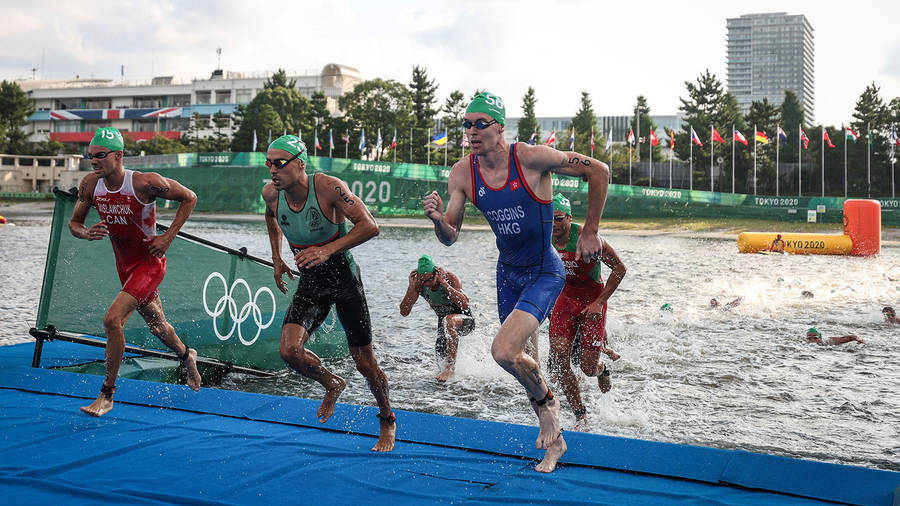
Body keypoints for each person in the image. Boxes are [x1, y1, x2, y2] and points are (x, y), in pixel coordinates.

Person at [423, 92, 610, 473]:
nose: (471, 131)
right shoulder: (463, 172)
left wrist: (590, 230)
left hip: (543, 271)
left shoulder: (530, 158)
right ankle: (555, 442)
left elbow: (600, 170)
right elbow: (451, 235)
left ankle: (550, 410)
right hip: (507, 275)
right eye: (466, 124)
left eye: (480, 124)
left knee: (503, 351)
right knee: (526, 365)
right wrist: (438, 220)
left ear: (499, 127)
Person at [262, 135, 395, 452]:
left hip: (344, 278)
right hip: (311, 282)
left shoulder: (328, 187)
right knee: (289, 352)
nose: (272, 170)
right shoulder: (271, 194)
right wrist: (277, 258)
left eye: (279, 163)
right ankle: (332, 383)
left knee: (364, 362)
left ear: (300, 164)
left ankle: (387, 419)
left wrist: (326, 250)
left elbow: (369, 225)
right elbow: (271, 217)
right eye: (268, 163)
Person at [69, 127, 201, 417]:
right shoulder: (91, 184)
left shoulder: (145, 183)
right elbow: (74, 223)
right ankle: (186, 354)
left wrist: (167, 238)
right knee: (157, 326)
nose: (93, 161)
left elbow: (189, 197)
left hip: (149, 264)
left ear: (119, 155)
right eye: (90, 156)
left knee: (112, 320)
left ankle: (107, 394)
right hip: (125, 266)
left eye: (100, 155)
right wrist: (85, 232)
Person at [548, 193, 625, 432]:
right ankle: (580, 415)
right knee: (560, 359)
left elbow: (620, 269)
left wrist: (600, 303)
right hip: (566, 297)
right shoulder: (543, 237)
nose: (553, 225)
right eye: (548, 219)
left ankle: (602, 369)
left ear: (569, 218)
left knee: (587, 368)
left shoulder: (587, 239)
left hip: (592, 299)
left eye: (558, 219)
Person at [399, 254, 476, 382]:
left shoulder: (450, 278)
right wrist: (411, 288)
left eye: (429, 279)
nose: (427, 284)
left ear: (436, 273)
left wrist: (444, 284)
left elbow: (464, 304)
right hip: (444, 326)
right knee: (440, 368)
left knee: (449, 321)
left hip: (465, 320)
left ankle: (450, 369)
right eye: (423, 280)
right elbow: (404, 312)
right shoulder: (419, 284)